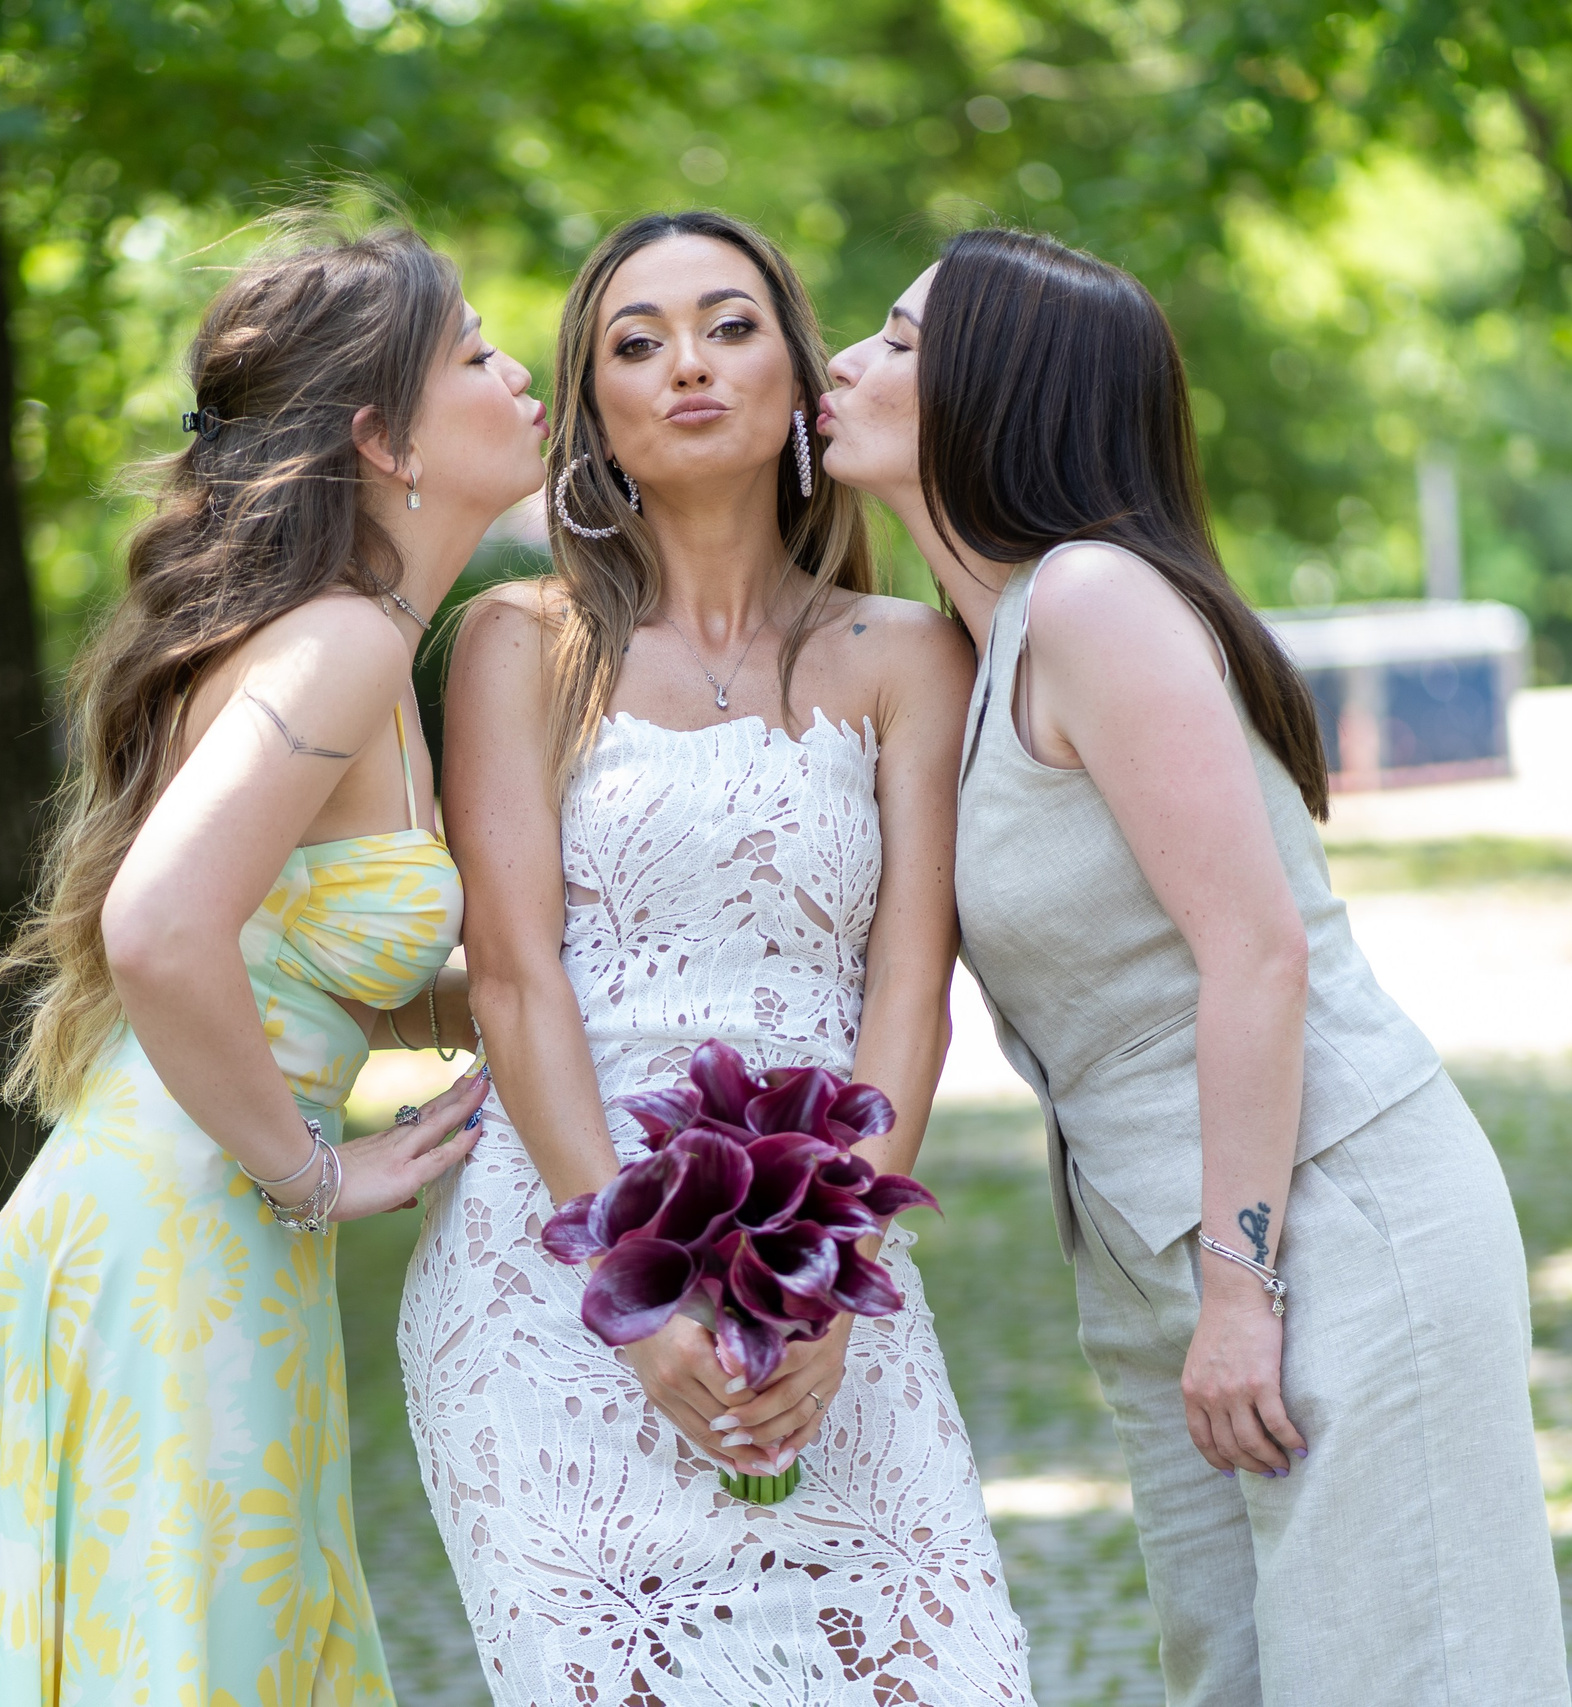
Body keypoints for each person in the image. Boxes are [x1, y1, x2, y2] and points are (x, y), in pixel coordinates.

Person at [817, 225, 1571, 1707]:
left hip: (1328, 1222)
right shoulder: (981, 656)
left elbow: (1258, 952)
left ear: (999, 391)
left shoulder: (1094, 600)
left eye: (902, 341)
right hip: (1162, 1254)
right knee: (1229, 1676)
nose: (847, 361)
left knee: (1396, 1676)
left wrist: (1243, 1290)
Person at [399, 210, 1036, 1706]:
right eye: (636, 341)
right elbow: (512, 980)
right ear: (596, 413)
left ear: (801, 380)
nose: (687, 362)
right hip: (555, 1273)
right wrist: (631, 1289)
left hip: (818, 1259)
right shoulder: (518, 641)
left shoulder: (907, 654)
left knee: (944, 1672)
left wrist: (841, 1266)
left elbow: (907, 985)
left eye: (730, 324)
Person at [0, 216, 545, 1707]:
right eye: (474, 351)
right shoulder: (336, 645)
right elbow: (158, 930)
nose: (521, 368)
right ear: (380, 434)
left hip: (189, 1231)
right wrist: (312, 1173)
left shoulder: (365, 647)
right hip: (173, 1237)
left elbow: (309, 960)